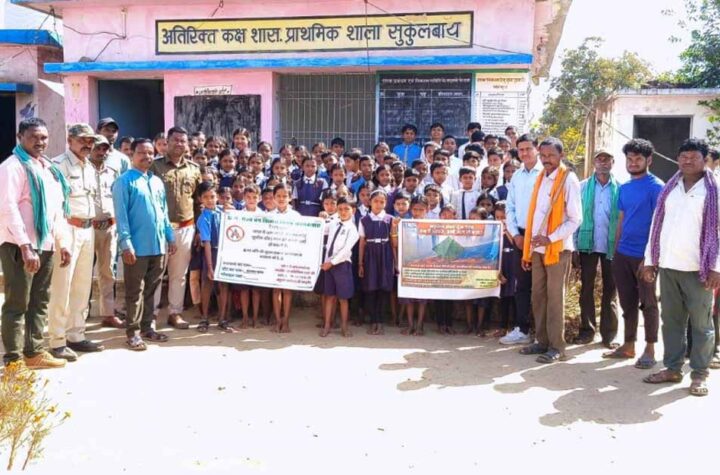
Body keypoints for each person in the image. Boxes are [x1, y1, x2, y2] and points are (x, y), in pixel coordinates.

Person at [642, 139, 720, 397]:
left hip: (700, 270)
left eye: (693, 157)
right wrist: (650, 260)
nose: (687, 161)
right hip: (669, 266)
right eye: (683, 156)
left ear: (704, 160)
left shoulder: (714, 190)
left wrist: (717, 267)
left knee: (701, 325)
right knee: (671, 322)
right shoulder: (670, 188)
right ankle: (673, 368)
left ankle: (699, 374)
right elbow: (657, 225)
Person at [0, 118, 71, 369]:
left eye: (43, 137)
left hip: (46, 244)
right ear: (20, 137)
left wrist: (62, 243)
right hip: (19, 245)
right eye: (33, 137)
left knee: (40, 300)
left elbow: (56, 209)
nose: (40, 142)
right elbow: (7, 207)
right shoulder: (12, 166)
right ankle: (13, 360)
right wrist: (25, 245)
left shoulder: (48, 168)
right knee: (17, 302)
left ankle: (34, 352)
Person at [518, 137, 581, 364]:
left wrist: (550, 238)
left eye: (551, 155)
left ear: (561, 156)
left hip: (557, 249)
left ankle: (557, 347)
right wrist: (530, 248)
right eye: (543, 155)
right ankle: (542, 341)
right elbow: (535, 216)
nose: (546, 160)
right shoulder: (540, 178)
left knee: (555, 299)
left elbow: (575, 219)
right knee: (538, 296)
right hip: (538, 249)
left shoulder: (568, 180)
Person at [603, 139, 663, 369]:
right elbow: (621, 220)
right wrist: (615, 251)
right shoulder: (625, 188)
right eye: (630, 159)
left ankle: (650, 349)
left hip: (645, 257)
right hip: (622, 254)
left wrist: (651, 258)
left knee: (648, 303)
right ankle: (628, 345)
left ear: (649, 160)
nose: (633, 163)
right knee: (627, 303)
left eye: (638, 159)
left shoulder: (657, 187)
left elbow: (659, 225)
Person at [48, 124, 106, 361]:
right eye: (83, 140)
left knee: (82, 285)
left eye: (91, 141)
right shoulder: (58, 165)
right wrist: (60, 238)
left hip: (87, 229)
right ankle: (57, 340)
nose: (88, 145)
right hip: (67, 228)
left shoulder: (89, 167)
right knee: (62, 285)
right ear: (70, 140)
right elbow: (55, 205)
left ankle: (76, 334)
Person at [113, 138, 177, 351]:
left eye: (150, 153)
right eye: (142, 152)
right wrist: (126, 244)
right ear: (132, 154)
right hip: (136, 248)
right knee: (135, 291)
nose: (147, 157)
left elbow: (163, 212)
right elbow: (121, 216)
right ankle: (133, 333)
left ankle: (148, 327)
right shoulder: (124, 181)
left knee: (151, 290)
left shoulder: (156, 181)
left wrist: (170, 237)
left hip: (158, 246)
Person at [151, 126, 202, 330]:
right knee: (156, 273)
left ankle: (175, 312)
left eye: (183, 141)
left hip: (186, 228)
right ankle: (151, 314)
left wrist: (198, 230)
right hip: (159, 229)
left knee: (179, 274)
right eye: (175, 140)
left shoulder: (194, 169)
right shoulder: (155, 166)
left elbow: (198, 202)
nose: (179, 144)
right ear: (167, 142)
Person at [573, 150, 620, 347]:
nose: (603, 163)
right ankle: (587, 331)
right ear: (593, 163)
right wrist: (574, 246)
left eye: (607, 159)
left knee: (611, 290)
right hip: (587, 244)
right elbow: (575, 217)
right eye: (599, 159)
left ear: (612, 162)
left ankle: (609, 335)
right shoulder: (582, 187)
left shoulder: (620, 188)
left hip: (611, 245)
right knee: (587, 288)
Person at [500, 133, 543, 345]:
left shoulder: (546, 173)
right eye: (521, 149)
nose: (524, 153)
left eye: (528, 149)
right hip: (520, 236)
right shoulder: (516, 176)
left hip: (542, 237)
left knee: (542, 286)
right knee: (522, 285)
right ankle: (522, 329)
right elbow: (510, 208)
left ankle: (542, 333)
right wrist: (515, 234)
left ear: (537, 149)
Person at [89, 136, 124, 329]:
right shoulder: (82, 170)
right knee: (83, 272)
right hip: (87, 227)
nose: (101, 152)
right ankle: (79, 314)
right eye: (97, 148)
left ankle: (108, 314)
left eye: (104, 149)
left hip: (109, 227)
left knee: (108, 272)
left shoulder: (113, 172)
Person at [196, 182, 236, 334]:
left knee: (223, 285)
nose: (210, 200)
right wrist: (210, 266)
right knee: (207, 285)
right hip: (211, 253)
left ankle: (222, 318)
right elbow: (206, 243)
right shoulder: (203, 218)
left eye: (212, 196)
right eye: (205, 197)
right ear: (200, 199)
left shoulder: (222, 211)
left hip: (224, 253)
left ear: (217, 197)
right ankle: (204, 318)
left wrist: (231, 210)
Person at [319, 196, 360, 338]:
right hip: (328, 265)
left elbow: (345, 250)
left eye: (346, 209)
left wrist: (331, 263)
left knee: (343, 298)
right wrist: (320, 219)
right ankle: (327, 325)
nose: (343, 212)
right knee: (329, 296)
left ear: (353, 210)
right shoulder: (333, 224)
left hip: (342, 265)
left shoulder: (352, 229)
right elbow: (321, 229)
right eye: (340, 209)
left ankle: (344, 327)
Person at [359, 189, 394, 335]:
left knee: (383, 288)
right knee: (371, 288)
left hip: (385, 254)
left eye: (382, 202)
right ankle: (373, 320)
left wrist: (395, 262)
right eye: (375, 201)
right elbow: (362, 242)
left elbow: (393, 242)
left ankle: (380, 321)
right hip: (370, 255)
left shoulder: (390, 219)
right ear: (370, 202)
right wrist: (360, 263)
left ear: (386, 203)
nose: (378, 204)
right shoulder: (364, 220)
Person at [271, 184, 300, 332]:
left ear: (290, 198)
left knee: (287, 290)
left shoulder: (296, 216)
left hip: (290, 257)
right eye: (278, 196)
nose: (281, 199)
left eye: (285, 196)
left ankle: (286, 321)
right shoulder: (268, 216)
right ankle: (278, 321)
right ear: (274, 198)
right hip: (273, 257)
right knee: (276, 290)